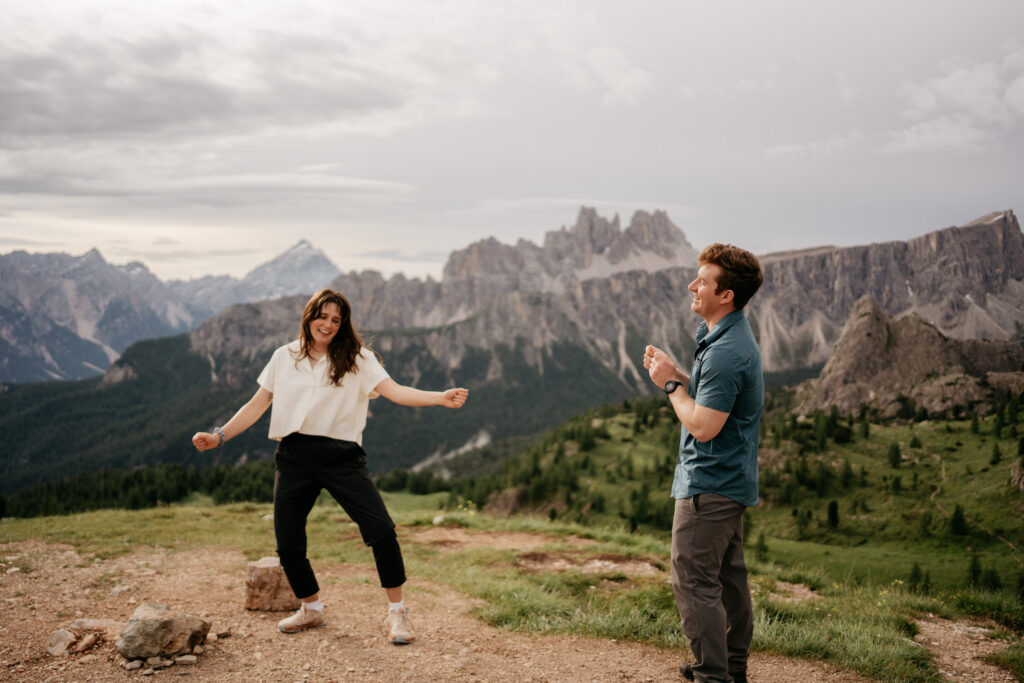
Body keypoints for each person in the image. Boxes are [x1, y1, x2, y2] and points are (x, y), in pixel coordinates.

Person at [192, 288, 468, 644]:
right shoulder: (284, 356)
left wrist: (440, 398)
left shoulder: (358, 358)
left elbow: (396, 391)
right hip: (294, 457)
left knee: (381, 529)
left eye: (336, 320)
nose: (328, 324)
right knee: (288, 543)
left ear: (343, 325)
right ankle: (311, 608)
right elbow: (258, 403)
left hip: (342, 457)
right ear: (309, 317)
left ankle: (397, 614)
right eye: (322, 316)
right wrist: (219, 436)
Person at [642, 244, 764, 683]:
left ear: (726, 294)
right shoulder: (725, 335)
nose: (692, 285)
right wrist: (680, 375)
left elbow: (704, 427)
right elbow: (717, 401)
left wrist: (671, 384)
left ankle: (713, 675)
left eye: (703, 281)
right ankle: (730, 668)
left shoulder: (727, 350)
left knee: (693, 582)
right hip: (730, 482)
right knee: (728, 581)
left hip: (708, 486)